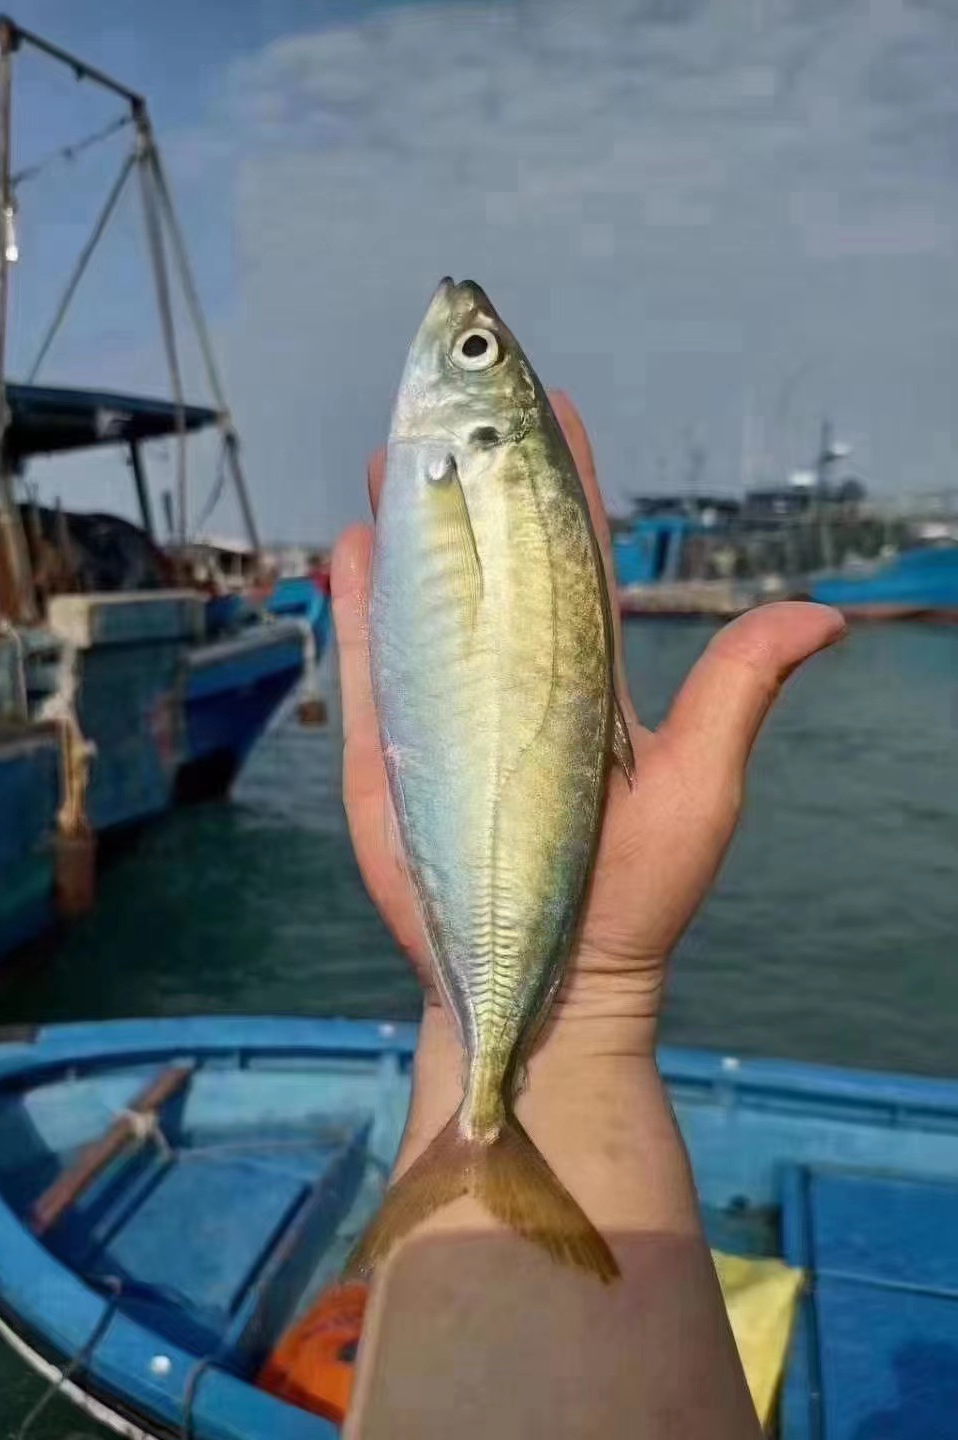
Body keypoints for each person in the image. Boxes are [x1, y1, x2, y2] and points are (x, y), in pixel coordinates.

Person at [327, 392, 845, 1437]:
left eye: (473, 351)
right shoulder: (462, 457)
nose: (456, 333)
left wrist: (561, 1004)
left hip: (520, 985)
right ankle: (492, 1124)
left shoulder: (473, 443)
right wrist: (587, 1019)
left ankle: (486, 1126)